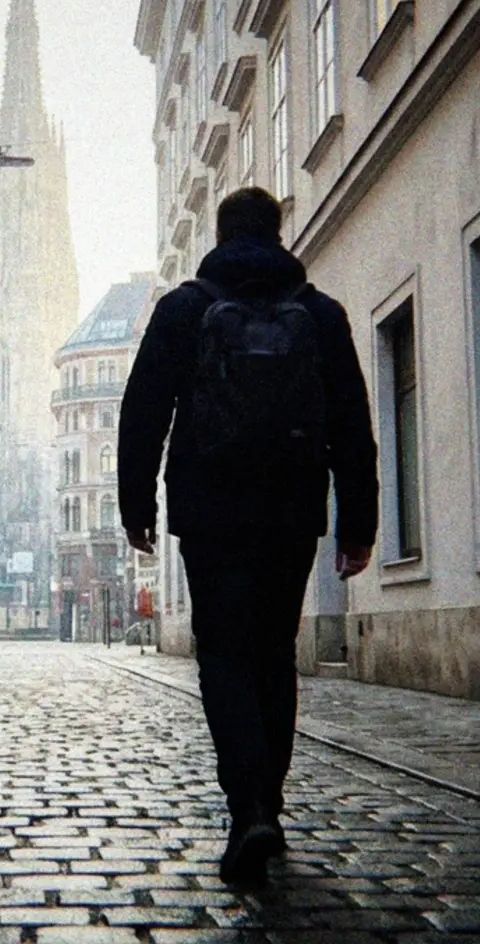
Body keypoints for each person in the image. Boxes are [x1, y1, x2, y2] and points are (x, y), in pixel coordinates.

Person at [117, 186, 378, 888]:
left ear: (220, 233)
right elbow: (352, 423)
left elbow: (143, 410)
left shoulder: (184, 308)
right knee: (273, 656)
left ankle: (249, 808)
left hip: (210, 510)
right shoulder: (321, 313)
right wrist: (359, 523)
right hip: (292, 509)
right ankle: (270, 803)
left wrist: (136, 505)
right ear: (279, 232)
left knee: (225, 655)